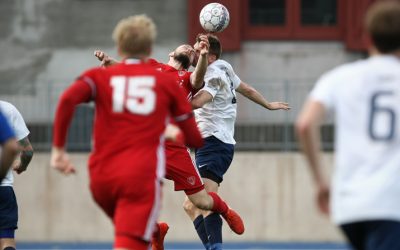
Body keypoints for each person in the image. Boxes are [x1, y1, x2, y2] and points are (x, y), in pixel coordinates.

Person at [50, 14, 204, 250]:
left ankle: (153, 231)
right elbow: (194, 137)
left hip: (103, 174)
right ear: (152, 50)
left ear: (120, 46)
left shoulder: (99, 77)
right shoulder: (161, 82)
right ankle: (152, 231)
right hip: (141, 170)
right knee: (130, 236)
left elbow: (67, 100)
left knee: (129, 229)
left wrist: (59, 149)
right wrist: (176, 131)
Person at [94, 39, 244, 250]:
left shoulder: (188, 78)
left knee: (200, 201)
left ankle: (225, 211)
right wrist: (109, 61)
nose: (190, 49)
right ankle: (155, 231)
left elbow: (199, 76)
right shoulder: (153, 67)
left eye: (192, 52)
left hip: (174, 148)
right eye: (186, 48)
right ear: (171, 54)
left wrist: (201, 56)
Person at [296, 1, 400, 250]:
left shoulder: (339, 77)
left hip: (350, 204)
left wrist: (321, 182)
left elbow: (305, 124)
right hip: (391, 201)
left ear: (367, 37)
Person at [185, 33, 291, 250]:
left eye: (198, 51)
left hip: (213, 142)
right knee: (190, 206)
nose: (195, 55)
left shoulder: (213, 74)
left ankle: (219, 238)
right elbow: (247, 89)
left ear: (210, 56)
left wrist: (169, 102)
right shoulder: (225, 66)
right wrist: (268, 104)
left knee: (206, 201)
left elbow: (198, 102)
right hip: (214, 143)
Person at [0, 101, 33, 250]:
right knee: (7, 242)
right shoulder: (8, 109)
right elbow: (27, 150)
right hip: (3, 189)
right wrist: (22, 165)